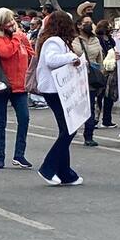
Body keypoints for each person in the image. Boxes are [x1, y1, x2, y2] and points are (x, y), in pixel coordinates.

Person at [34, 11, 84, 186]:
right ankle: (48, 168)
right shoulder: (54, 41)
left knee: (67, 128)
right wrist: (72, 57)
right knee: (68, 130)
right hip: (54, 89)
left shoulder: (55, 40)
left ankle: (65, 173)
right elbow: (51, 60)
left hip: (57, 89)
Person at [0, 7, 34, 169]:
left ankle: (19, 155)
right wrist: (16, 38)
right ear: (0, 23)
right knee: (1, 121)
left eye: (12, 19)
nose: (12, 23)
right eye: (8, 21)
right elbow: (6, 52)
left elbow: (31, 53)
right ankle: (0, 156)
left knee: (24, 118)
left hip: (20, 85)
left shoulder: (19, 36)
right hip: (2, 84)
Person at [72, 15, 103, 147]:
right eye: (86, 23)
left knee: (90, 107)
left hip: (91, 78)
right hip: (76, 78)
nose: (90, 25)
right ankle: (70, 132)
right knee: (75, 107)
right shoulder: (73, 40)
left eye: (91, 22)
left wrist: (101, 76)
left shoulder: (95, 40)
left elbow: (100, 59)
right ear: (79, 25)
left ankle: (89, 135)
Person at [95, 19, 117, 128]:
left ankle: (107, 120)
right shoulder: (98, 39)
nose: (110, 28)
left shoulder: (111, 40)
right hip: (101, 69)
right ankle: (95, 120)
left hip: (110, 70)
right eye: (108, 26)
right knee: (98, 96)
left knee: (109, 96)